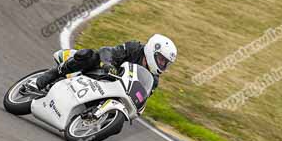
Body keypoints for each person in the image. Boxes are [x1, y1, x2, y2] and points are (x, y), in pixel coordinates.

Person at [33, 34, 178, 97]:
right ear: (153, 49)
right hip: (101, 72)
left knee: (118, 126)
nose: (162, 64)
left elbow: (142, 96)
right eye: (161, 59)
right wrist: (108, 64)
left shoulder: (153, 80)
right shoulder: (134, 48)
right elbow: (109, 51)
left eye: (165, 63)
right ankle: (47, 77)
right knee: (90, 56)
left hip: (116, 90)